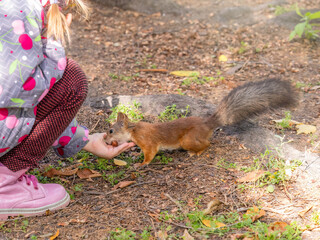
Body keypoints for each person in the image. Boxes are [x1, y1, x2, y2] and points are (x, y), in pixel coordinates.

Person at [0, 0, 134, 220]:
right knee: (72, 79)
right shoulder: (18, 9)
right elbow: (13, 90)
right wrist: (53, 44)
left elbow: (37, 99)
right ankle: (3, 187)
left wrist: (84, 139)